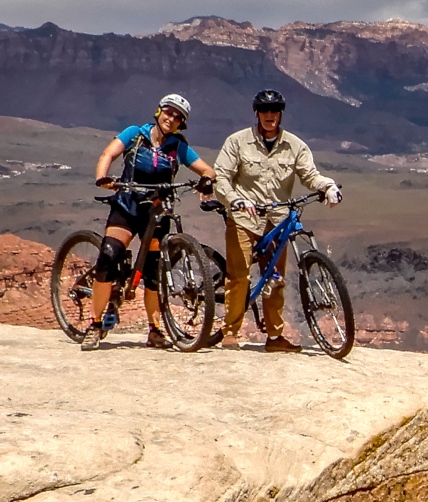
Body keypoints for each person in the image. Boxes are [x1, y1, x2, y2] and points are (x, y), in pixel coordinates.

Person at [81, 93, 217, 350]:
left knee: (154, 272)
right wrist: (102, 177)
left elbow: (207, 169)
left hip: (157, 212)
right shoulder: (135, 134)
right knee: (109, 255)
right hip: (128, 205)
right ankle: (95, 324)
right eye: (169, 112)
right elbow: (108, 154)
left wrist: (207, 180)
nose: (172, 118)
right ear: (159, 111)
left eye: (178, 117)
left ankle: (154, 330)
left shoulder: (178, 146)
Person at [209, 89, 341, 351]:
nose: (270, 116)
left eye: (274, 111)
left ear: (281, 114)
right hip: (244, 218)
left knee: (275, 278)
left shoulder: (295, 145)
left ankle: (275, 337)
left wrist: (327, 187)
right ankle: (231, 332)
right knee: (239, 276)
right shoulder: (238, 142)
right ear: (257, 113)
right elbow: (221, 177)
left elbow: (310, 175)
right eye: (265, 111)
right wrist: (235, 200)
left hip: (277, 220)